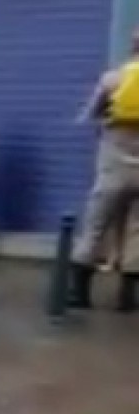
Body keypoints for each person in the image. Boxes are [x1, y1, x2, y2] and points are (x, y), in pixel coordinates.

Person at [68, 29, 139, 309]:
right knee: (138, 230)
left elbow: (88, 115)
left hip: (112, 167)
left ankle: (79, 293)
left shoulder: (113, 79)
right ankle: (127, 297)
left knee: (95, 225)